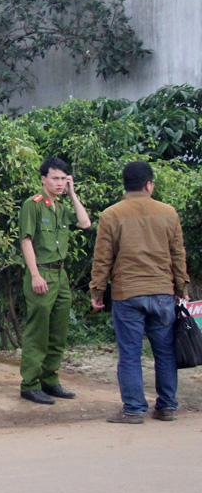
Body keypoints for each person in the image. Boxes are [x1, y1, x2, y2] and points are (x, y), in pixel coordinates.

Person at [89, 161, 191, 424]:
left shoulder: (111, 215)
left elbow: (102, 259)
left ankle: (134, 409)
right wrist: (181, 289)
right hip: (162, 293)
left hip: (128, 294)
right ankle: (166, 406)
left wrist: (97, 292)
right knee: (165, 352)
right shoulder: (168, 213)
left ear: (125, 185)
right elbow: (178, 256)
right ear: (149, 185)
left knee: (130, 355)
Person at [18, 157, 92, 405]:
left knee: (58, 333)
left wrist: (72, 194)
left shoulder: (61, 206)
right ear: (44, 179)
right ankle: (29, 384)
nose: (60, 183)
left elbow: (85, 222)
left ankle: (50, 380)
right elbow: (26, 240)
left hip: (60, 276)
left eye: (64, 178)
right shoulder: (34, 204)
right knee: (38, 333)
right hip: (41, 273)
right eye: (56, 178)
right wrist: (36, 274)